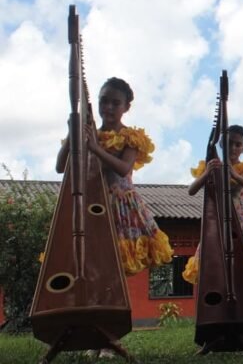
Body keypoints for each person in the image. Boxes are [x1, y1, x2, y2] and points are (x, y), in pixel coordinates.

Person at [55, 77, 174, 358]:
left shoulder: (131, 137)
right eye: (104, 100)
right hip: (92, 208)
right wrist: (72, 134)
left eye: (115, 102)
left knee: (112, 274)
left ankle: (107, 338)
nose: (108, 107)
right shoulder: (87, 131)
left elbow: (123, 168)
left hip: (121, 208)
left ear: (126, 107)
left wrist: (95, 148)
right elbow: (61, 167)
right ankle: (94, 336)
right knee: (92, 272)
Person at [182, 124, 243, 284]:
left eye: (237, 144)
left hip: (241, 225)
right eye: (229, 143)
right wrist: (207, 173)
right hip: (218, 224)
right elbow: (191, 190)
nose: (233, 147)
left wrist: (232, 173)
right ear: (221, 144)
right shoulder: (212, 166)